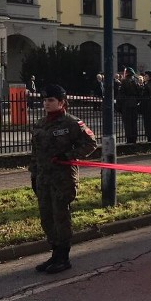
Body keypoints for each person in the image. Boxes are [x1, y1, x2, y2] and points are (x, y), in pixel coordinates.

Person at [29, 85, 98, 274]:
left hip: (63, 178)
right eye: (45, 100)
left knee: (61, 216)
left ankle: (64, 257)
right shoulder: (40, 124)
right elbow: (35, 153)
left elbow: (91, 143)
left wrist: (69, 155)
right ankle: (55, 253)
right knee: (47, 217)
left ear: (62, 102)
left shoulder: (71, 123)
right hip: (43, 178)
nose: (46, 104)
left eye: (51, 100)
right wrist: (33, 174)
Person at [119, 67, 141, 144]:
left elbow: (121, 94)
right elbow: (139, 94)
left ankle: (129, 139)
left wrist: (120, 106)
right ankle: (134, 139)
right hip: (134, 104)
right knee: (134, 123)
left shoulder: (124, 81)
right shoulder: (136, 81)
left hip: (126, 104)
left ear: (127, 73)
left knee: (127, 123)